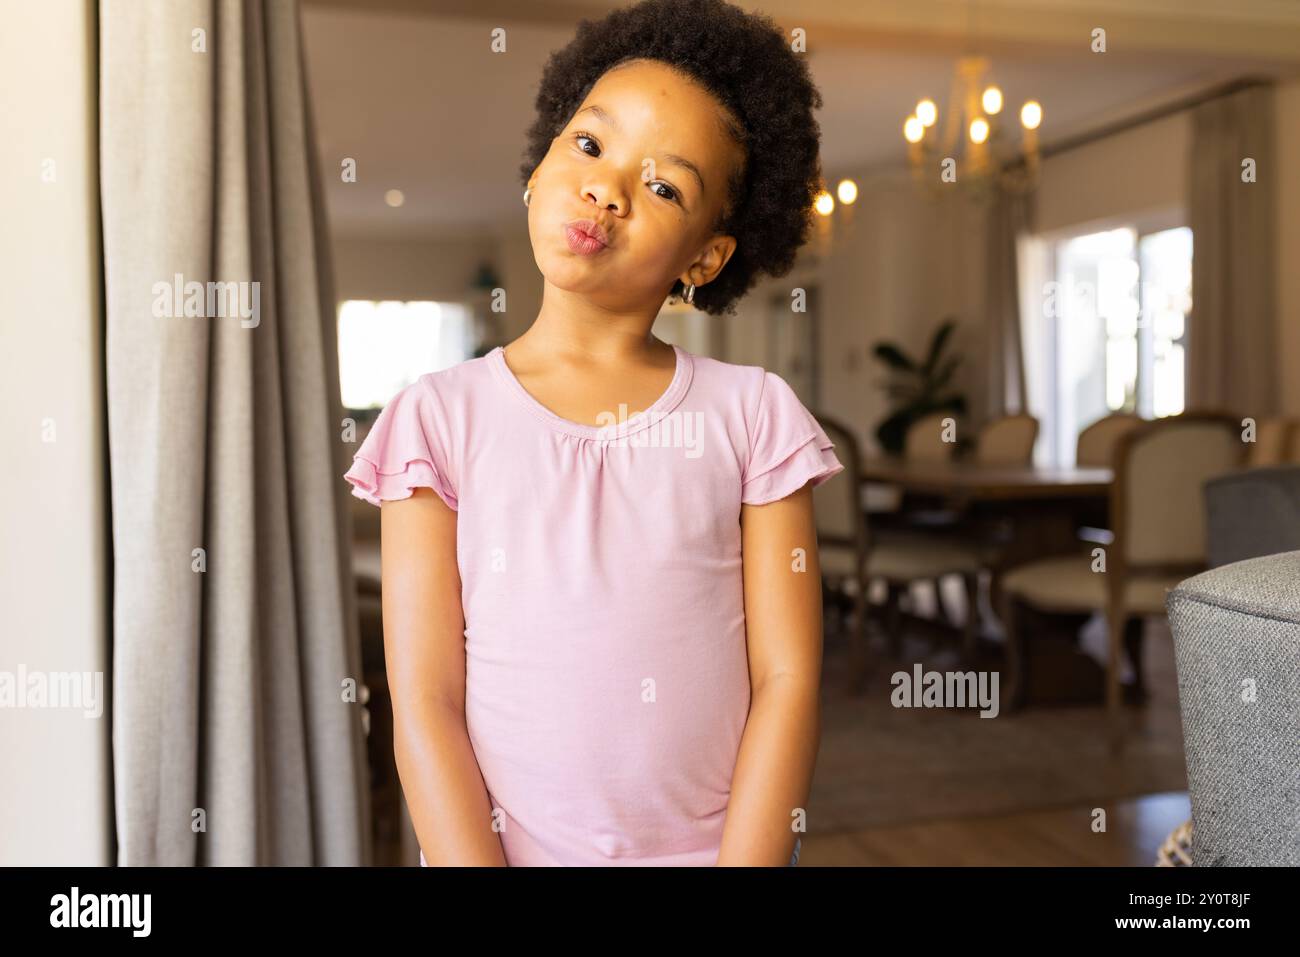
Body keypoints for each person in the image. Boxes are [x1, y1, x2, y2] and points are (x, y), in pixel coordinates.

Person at [345, 0, 838, 866]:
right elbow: (424, 698)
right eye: (589, 144)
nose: (607, 187)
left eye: (663, 186)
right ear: (537, 169)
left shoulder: (754, 417)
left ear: (705, 259)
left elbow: (788, 681)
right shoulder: (435, 418)